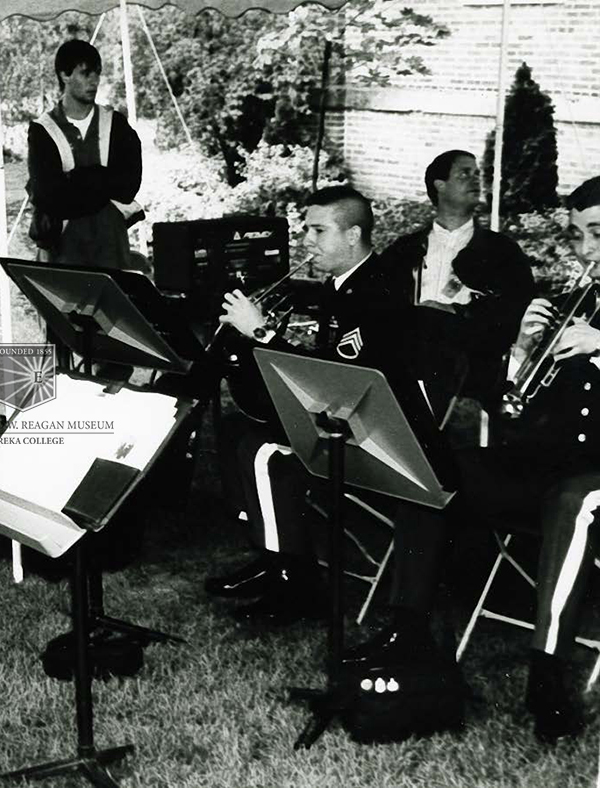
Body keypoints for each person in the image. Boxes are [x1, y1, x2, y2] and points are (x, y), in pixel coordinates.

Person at [349, 176, 600, 744]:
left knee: (577, 500)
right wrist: (521, 353)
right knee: (432, 466)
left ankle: (547, 674)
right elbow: (512, 405)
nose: (585, 250)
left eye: (597, 234)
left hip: (592, 476)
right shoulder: (574, 301)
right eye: (577, 235)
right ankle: (408, 630)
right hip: (546, 462)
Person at [205, 186, 435, 624]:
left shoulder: (379, 290)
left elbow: (333, 379)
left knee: (267, 453)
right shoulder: (341, 284)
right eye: (306, 230)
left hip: (375, 433)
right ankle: (273, 554)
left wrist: (262, 333)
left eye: (318, 231)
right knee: (237, 429)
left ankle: (296, 582)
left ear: (353, 235)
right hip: (345, 416)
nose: (307, 241)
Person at [383, 149, 534, 406]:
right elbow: (379, 304)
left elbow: (517, 311)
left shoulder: (501, 251)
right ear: (439, 185)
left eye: (477, 174)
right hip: (406, 375)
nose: (476, 180)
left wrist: (456, 312)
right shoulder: (405, 249)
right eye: (464, 174)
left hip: (471, 383)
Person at [26, 39, 143, 270]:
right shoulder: (43, 130)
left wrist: (75, 180)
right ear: (64, 75)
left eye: (97, 73)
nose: (94, 81)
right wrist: (102, 181)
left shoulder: (115, 124)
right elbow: (47, 195)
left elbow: (129, 185)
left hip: (111, 249)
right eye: (85, 73)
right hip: (64, 252)